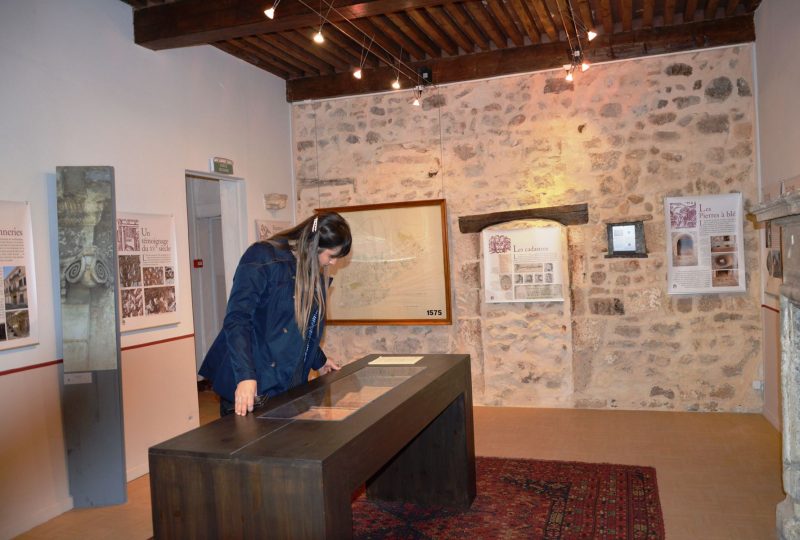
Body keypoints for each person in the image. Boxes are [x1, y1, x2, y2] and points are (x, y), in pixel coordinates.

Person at [199, 212, 352, 416]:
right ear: (314, 245)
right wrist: (245, 377)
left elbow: (301, 326)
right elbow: (237, 319)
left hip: (286, 384)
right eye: (331, 256)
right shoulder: (262, 256)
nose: (333, 263)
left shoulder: (309, 269)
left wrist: (319, 360)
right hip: (256, 380)